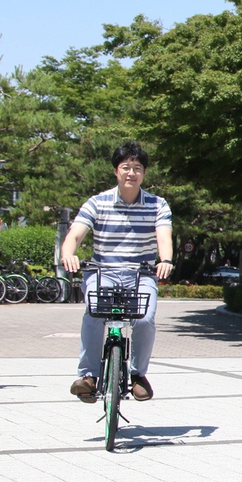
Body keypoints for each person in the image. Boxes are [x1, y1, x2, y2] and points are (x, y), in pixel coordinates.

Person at [61, 141, 174, 403]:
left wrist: (166, 259)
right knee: (93, 313)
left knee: (145, 319)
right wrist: (68, 254)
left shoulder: (157, 205)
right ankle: (88, 376)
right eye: (126, 167)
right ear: (116, 171)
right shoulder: (97, 202)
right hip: (103, 272)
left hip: (141, 274)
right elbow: (75, 234)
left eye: (137, 168)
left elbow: (164, 236)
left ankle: (137, 375)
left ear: (144, 173)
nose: (131, 173)